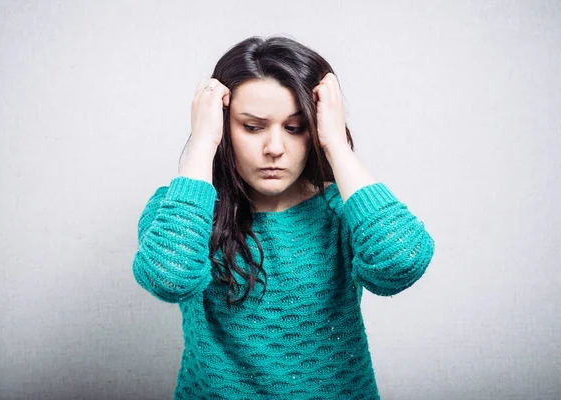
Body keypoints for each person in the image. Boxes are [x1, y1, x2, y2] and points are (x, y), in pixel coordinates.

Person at [132, 35, 435, 400]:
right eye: (253, 127)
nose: (274, 148)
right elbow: (169, 278)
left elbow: (401, 264)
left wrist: (336, 144)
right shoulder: (183, 209)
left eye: (294, 128)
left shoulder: (341, 209)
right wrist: (202, 144)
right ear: (225, 127)